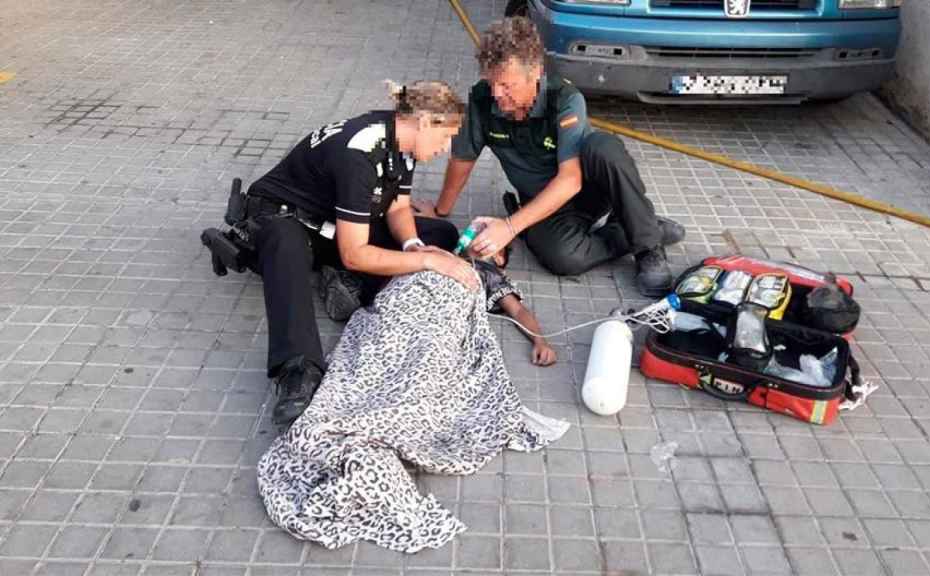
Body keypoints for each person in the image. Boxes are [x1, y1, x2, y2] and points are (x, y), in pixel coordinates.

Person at [241, 81, 480, 427]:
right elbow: (355, 253)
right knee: (286, 243)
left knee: (439, 232)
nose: (445, 149)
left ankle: (341, 280)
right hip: (281, 218)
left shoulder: (401, 141)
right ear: (424, 123)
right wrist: (427, 261)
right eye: (445, 138)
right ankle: (298, 370)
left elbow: (398, 209)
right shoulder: (360, 153)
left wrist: (415, 246)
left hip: (331, 222)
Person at [413, 17, 685, 298]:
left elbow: (570, 180)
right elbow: (463, 158)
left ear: (536, 73)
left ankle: (648, 247)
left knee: (604, 147)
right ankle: (640, 226)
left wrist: (509, 227)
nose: (497, 93)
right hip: (543, 202)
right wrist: (441, 211)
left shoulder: (565, 99)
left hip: (587, 189)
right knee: (564, 260)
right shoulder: (482, 99)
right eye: (492, 82)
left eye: (507, 85)